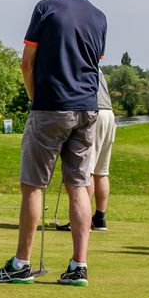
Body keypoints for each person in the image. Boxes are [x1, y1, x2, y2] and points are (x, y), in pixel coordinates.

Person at [0, 0, 107, 286]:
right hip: (88, 108)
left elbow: (27, 60)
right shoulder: (99, 17)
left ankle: (21, 263)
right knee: (80, 185)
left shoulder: (46, 8)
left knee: (33, 185)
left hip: (51, 106)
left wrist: (33, 95)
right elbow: (95, 65)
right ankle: (78, 265)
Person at [56, 67, 114, 232]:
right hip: (108, 113)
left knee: (85, 171)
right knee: (101, 170)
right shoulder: (95, 65)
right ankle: (99, 218)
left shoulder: (79, 62)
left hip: (93, 112)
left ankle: (84, 221)